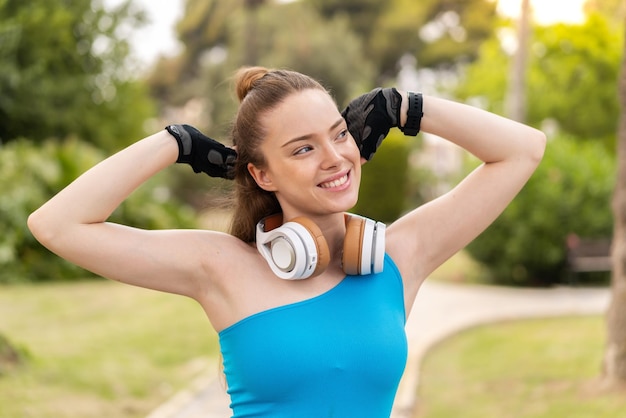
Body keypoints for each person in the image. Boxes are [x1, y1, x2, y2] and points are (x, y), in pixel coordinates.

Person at [28, 66, 546, 417]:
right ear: (261, 174)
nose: (335, 158)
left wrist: (402, 108)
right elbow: (57, 225)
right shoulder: (221, 268)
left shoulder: (396, 256)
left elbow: (523, 149)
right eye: (302, 149)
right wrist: (177, 143)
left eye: (339, 133)